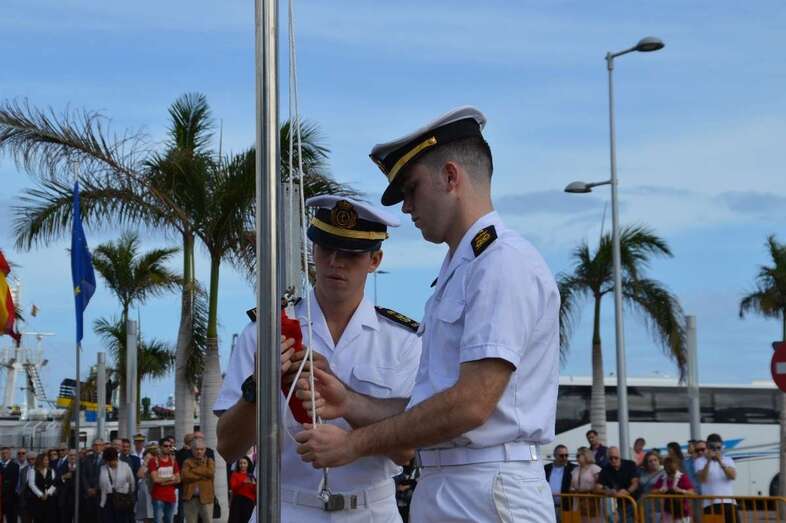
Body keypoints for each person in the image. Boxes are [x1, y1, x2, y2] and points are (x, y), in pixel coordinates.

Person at [294, 107, 561, 522]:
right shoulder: (464, 268)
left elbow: (471, 404)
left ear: (451, 177)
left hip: (488, 485)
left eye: (412, 189)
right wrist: (347, 401)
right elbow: (431, 404)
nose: (406, 208)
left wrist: (353, 445)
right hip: (456, 483)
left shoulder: (501, 262)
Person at [215, 195, 421, 522]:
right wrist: (258, 387)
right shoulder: (267, 331)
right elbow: (228, 447)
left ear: (374, 260)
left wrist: (350, 429)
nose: (335, 262)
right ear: (314, 251)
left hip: (371, 510)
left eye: (351, 253)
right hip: (286, 507)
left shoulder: (402, 341)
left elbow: (406, 450)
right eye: (326, 249)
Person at [695, 433, 737, 522]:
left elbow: (732, 476)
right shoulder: (700, 461)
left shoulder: (728, 460)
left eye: (718, 448)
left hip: (729, 503)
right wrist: (708, 461)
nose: (716, 450)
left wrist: (720, 462)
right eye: (712, 447)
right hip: (710, 504)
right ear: (707, 447)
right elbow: (702, 479)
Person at [598, 446, 639, 522]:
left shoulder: (630, 464)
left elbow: (635, 483)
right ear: (607, 458)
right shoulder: (605, 469)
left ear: (620, 456)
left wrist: (627, 492)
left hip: (634, 501)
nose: (613, 460)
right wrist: (608, 492)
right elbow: (597, 487)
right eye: (611, 458)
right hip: (619, 505)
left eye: (616, 458)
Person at [653, 456, 695, 523]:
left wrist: (681, 491)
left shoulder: (683, 477)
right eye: (669, 473)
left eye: (672, 473)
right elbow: (653, 491)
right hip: (667, 511)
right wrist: (660, 490)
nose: (671, 476)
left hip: (682, 512)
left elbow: (692, 493)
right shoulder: (662, 477)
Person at [98, 446, 135, 523]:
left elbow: (132, 482)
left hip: (122, 499)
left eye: (111, 460)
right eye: (107, 461)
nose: (109, 463)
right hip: (108, 500)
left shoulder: (125, 466)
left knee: (122, 520)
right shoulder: (103, 468)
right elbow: (102, 486)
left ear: (116, 458)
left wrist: (129, 495)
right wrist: (102, 503)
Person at [180, 439, 214, 523]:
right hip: (190, 497)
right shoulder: (187, 462)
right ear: (192, 450)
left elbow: (210, 473)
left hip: (206, 497)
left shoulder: (209, 461)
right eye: (197, 449)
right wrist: (203, 476)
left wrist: (193, 470)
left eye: (201, 449)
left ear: (205, 450)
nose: (199, 451)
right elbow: (185, 476)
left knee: (208, 521)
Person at [149, 438, 180, 523]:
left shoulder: (173, 461)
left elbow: (178, 479)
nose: (168, 448)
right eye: (166, 446)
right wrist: (170, 478)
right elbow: (155, 479)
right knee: (158, 520)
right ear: (160, 447)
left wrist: (163, 482)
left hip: (171, 496)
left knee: (169, 520)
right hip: (158, 496)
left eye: (170, 446)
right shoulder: (154, 461)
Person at [570, 447, 602, 523]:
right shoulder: (575, 470)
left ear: (586, 455)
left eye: (578, 455)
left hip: (592, 501)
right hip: (578, 501)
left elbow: (600, 484)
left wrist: (588, 491)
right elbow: (571, 486)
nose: (577, 458)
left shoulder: (595, 469)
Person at [545, 444, 575, 522]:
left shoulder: (572, 468)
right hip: (549, 506)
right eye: (561, 455)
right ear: (555, 455)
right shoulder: (546, 468)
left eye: (566, 455)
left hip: (566, 506)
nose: (564, 458)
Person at [26, 452, 57, 523]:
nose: (47, 462)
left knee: (50, 518)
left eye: (48, 460)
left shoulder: (51, 471)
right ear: (40, 461)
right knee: (38, 519)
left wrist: (48, 493)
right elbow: (31, 484)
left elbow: (54, 484)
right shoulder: (33, 471)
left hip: (49, 499)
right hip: (37, 500)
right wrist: (40, 494)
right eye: (45, 460)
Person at [81, 439, 105, 523]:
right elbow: (83, 474)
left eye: (99, 445)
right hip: (88, 494)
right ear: (92, 447)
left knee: (100, 518)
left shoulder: (106, 459)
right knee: (89, 518)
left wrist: (96, 488)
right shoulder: (87, 458)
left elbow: (105, 476)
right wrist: (88, 488)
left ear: (103, 446)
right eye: (95, 445)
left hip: (101, 493)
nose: (97, 447)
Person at [638, 451, 665, 523]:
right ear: (646, 463)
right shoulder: (642, 472)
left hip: (658, 506)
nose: (653, 462)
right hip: (643, 505)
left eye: (655, 460)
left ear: (659, 460)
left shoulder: (664, 472)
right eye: (650, 461)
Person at [227, 457, 255, 523]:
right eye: (241, 463)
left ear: (248, 465)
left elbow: (254, 492)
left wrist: (254, 484)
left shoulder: (252, 476)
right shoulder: (235, 475)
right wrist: (243, 482)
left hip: (249, 503)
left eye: (244, 463)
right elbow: (233, 488)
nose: (242, 465)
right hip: (237, 502)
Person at [135, 447, 158, 523]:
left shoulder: (159, 462)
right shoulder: (145, 464)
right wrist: (146, 462)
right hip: (146, 491)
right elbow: (139, 474)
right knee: (147, 515)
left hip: (157, 490)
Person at [57, 450, 78, 523]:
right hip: (65, 500)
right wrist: (63, 477)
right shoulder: (62, 466)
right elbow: (56, 480)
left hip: (77, 499)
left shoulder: (82, 466)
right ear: (68, 457)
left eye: (74, 455)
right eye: (71, 455)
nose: (73, 457)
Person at [4, 447, 23, 523]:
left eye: (6, 453)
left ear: (10, 454)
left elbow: (15, 482)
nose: (4, 455)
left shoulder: (15, 466)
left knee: (11, 518)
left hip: (11, 497)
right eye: (2, 453)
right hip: (2, 497)